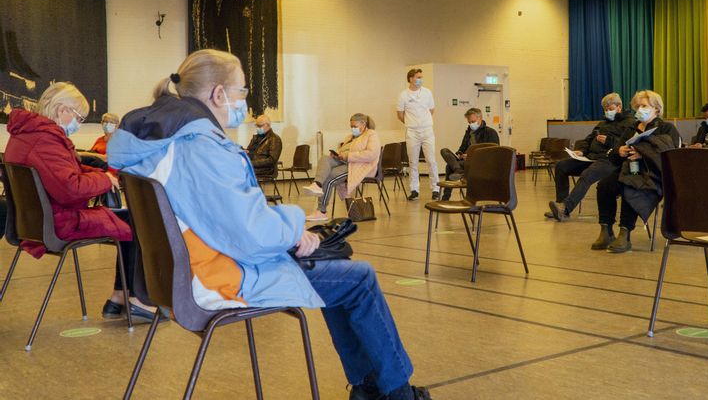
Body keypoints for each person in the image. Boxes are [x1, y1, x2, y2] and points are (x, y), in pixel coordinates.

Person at [108, 50, 429, 400]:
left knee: (340, 271)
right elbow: (252, 232)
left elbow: (224, 220)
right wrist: (294, 227)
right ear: (218, 94)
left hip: (177, 276)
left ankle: (370, 387)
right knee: (359, 278)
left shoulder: (160, 142)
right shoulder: (201, 147)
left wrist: (288, 233)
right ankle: (397, 392)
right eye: (242, 91)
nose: (244, 101)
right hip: (218, 277)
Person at [4, 83, 157, 321]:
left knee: (128, 220)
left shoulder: (26, 134)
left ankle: (119, 297)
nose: (79, 123)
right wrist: (105, 180)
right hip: (59, 222)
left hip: (36, 221)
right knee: (136, 224)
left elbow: (64, 171)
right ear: (62, 109)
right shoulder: (45, 140)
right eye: (79, 116)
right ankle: (134, 300)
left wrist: (100, 175)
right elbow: (70, 189)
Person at [594, 90, 681, 253]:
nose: (640, 109)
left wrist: (644, 153)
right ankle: (606, 230)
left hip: (653, 175)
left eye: (644, 106)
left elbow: (671, 156)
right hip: (629, 170)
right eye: (638, 106)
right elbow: (614, 156)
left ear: (656, 108)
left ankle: (624, 233)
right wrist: (619, 151)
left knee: (631, 187)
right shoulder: (631, 128)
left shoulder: (667, 128)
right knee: (604, 186)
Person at [547, 93, 634, 226]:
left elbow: (628, 143)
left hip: (609, 160)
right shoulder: (602, 123)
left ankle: (565, 209)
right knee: (561, 166)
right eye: (605, 109)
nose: (607, 112)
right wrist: (581, 151)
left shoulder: (629, 123)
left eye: (610, 108)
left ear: (619, 107)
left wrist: (609, 140)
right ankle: (560, 204)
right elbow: (588, 139)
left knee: (587, 175)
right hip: (591, 158)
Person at [303, 113, 381, 221]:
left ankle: (321, 211)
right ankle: (317, 184)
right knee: (325, 158)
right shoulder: (349, 137)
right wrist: (337, 155)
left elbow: (372, 154)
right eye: (351, 127)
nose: (353, 129)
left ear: (363, 124)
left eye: (355, 126)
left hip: (359, 167)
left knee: (329, 177)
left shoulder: (371, 134)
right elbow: (344, 151)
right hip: (345, 162)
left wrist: (348, 156)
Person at [396, 68, 440, 201]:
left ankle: (436, 188)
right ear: (410, 78)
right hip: (412, 131)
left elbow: (431, 110)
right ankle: (414, 189)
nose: (420, 79)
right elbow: (400, 114)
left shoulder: (427, 93)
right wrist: (411, 123)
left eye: (421, 77)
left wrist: (422, 122)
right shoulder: (403, 95)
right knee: (413, 162)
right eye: (417, 77)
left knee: (431, 160)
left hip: (427, 130)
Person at [439, 107, 499, 200]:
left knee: (449, 167)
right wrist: (460, 153)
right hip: (465, 160)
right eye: (469, 122)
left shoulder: (490, 132)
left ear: (480, 118)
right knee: (444, 151)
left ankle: (446, 197)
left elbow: (493, 153)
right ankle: (458, 170)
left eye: (473, 121)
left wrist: (472, 156)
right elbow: (462, 148)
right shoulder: (468, 133)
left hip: (479, 162)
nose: (471, 124)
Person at [246, 114, 283, 179]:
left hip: (266, 169)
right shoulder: (256, 138)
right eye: (256, 125)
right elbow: (250, 152)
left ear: (267, 125)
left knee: (239, 171)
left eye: (259, 126)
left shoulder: (274, 139)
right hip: (254, 166)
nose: (257, 128)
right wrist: (244, 152)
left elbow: (271, 160)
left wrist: (252, 163)